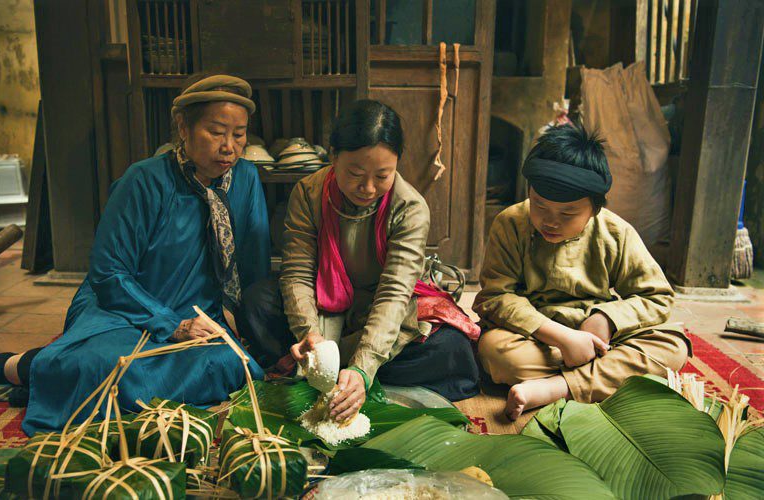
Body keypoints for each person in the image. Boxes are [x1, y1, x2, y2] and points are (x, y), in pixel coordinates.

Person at [0, 75, 270, 435]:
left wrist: (248, 329)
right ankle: (13, 367)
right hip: (122, 306)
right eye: (217, 132)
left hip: (197, 309)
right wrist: (172, 325)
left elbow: (254, 264)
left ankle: (59, 388)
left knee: (231, 364)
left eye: (239, 134)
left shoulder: (246, 178)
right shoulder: (143, 181)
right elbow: (109, 274)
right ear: (183, 128)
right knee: (104, 363)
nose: (229, 147)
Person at [237, 100, 480, 423]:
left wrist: (364, 368)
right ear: (333, 156)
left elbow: (394, 293)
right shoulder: (308, 193)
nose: (367, 188)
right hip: (324, 304)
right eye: (354, 174)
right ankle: (329, 363)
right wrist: (309, 336)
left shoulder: (410, 207)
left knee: (452, 350)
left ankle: (345, 373)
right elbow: (296, 273)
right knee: (256, 303)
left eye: (383, 175)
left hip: (378, 309)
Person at [474, 122, 690, 420]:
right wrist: (562, 337)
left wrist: (607, 319)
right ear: (528, 191)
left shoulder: (615, 232)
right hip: (540, 338)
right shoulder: (510, 223)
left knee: (673, 348)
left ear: (596, 208)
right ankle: (602, 378)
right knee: (496, 353)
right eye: (539, 206)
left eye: (567, 213)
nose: (550, 222)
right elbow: (496, 298)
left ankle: (556, 387)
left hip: (598, 339)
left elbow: (658, 298)